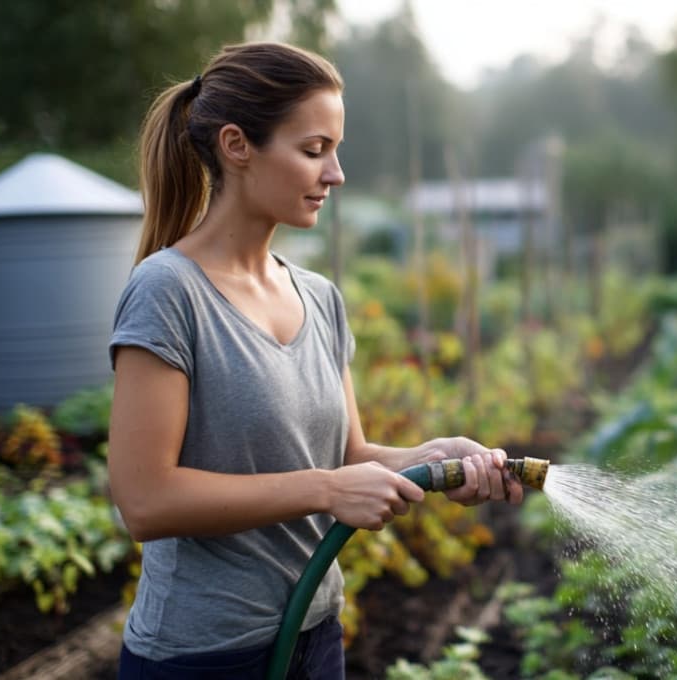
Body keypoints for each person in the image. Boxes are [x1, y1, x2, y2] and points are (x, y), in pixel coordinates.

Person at [107, 41, 523, 680]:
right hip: (202, 656)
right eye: (313, 150)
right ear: (237, 146)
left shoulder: (319, 297)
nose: (336, 174)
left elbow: (347, 454)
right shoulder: (169, 291)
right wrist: (326, 490)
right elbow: (144, 500)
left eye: (335, 150)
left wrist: (431, 459)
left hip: (314, 636)